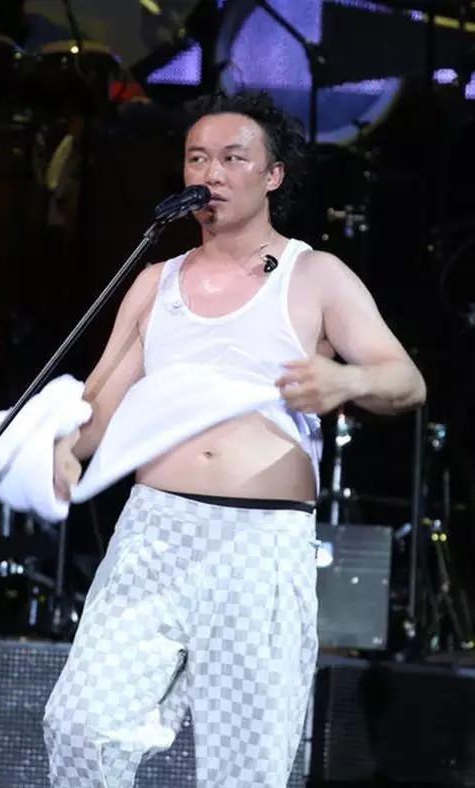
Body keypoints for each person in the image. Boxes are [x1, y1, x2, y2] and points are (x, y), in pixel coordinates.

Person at [42, 90, 426, 788]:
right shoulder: (155, 281)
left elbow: (405, 380)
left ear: (273, 175)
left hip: (258, 543)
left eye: (231, 158)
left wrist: (346, 381)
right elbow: (98, 405)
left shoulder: (316, 275)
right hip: (154, 534)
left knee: (245, 765)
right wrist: (61, 448)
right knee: (81, 726)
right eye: (197, 158)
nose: (210, 173)